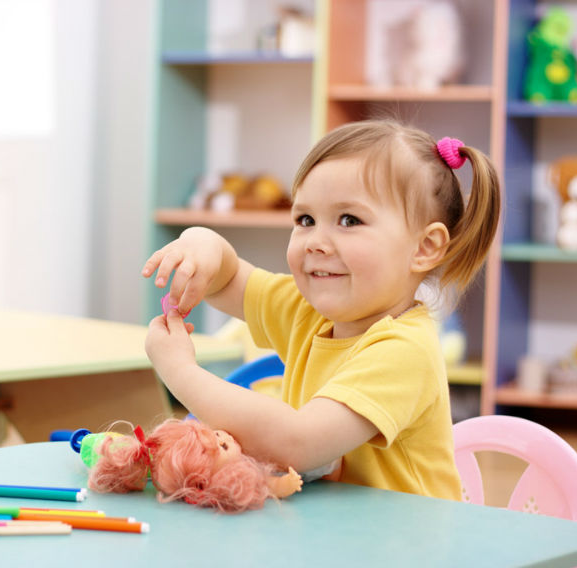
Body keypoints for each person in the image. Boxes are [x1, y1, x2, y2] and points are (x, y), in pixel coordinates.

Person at [141, 119, 501, 500]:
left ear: (425, 248)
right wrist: (202, 243)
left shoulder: (404, 350)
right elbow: (228, 280)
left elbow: (298, 442)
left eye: (349, 220)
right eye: (305, 220)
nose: (316, 241)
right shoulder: (308, 311)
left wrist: (179, 371)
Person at [86, 418, 303, 513]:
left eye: (217, 434)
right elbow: (262, 485)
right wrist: (284, 485)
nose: (228, 438)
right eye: (224, 447)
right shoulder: (229, 482)